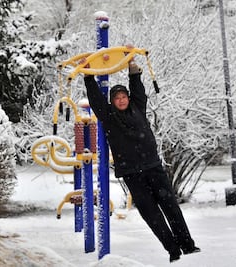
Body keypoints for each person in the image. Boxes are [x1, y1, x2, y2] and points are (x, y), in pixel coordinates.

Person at [83, 56, 200, 263]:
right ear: (112, 101)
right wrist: (88, 75)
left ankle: (187, 244)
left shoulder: (138, 108)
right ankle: (172, 249)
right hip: (131, 173)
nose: (121, 100)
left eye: (123, 97)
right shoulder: (108, 116)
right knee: (151, 214)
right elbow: (95, 99)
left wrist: (133, 68)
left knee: (170, 205)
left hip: (153, 167)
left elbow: (138, 89)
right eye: (117, 98)